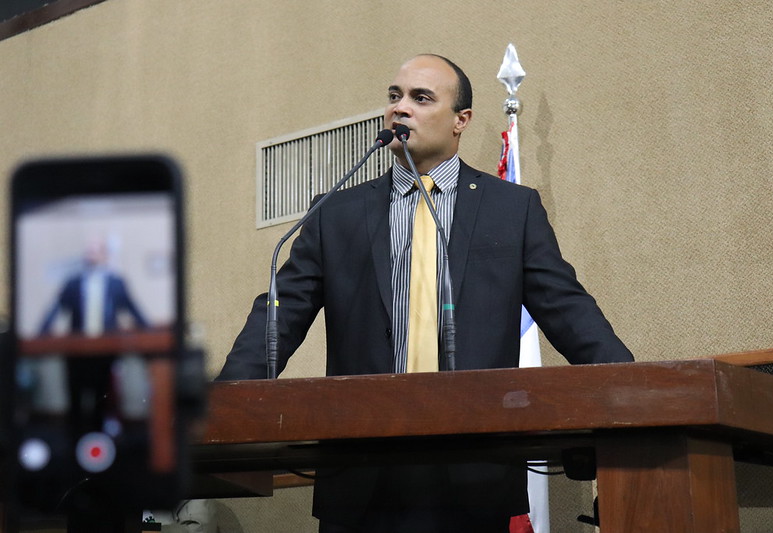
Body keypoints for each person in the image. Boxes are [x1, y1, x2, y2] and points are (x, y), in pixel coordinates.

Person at [217, 54, 634, 533]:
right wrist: (225, 407)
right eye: (394, 97)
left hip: (474, 476)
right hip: (361, 478)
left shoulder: (510, 210)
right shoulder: (337, 212)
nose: (400, 109)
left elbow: (571, 315)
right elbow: (278, 317)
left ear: (462, 121)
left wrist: (637, 397)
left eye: (420, 98)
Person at [39, 237, 148, 336]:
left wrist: (148, 331)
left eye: (95, 252)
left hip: (109, 342)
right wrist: (42, 332)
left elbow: (132, 308)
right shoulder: (73, 283)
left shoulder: (116, 283)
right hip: (79, 344)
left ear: (104, 255)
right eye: (89, 252)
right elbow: (57, 308)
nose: (91, 256)